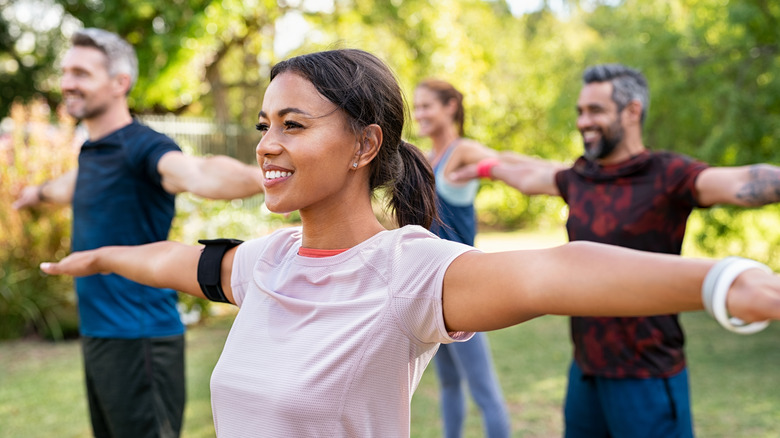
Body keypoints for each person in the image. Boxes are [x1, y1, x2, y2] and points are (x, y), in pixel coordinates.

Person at [38, 50, 780, 438]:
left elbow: (559, 270)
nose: (267, 143)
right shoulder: (267, 262)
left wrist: (723, 282)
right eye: (265, 124)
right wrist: (102, 258)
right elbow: (177, 260)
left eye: (293, 125)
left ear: (364, 144)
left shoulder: (408, 271)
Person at [450, 63, 780, 438]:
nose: (582, 121)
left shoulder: (667, 174)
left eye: (595, 111)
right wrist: (483, 168)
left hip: (647, 375)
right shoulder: (579, 176)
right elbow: (528, 175)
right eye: (580, 111)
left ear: (632, 111)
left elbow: (740, 181)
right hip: (586, 372)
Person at [13, 28, 263, 438]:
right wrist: (33, 194)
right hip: (100, 337)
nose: (67, 83)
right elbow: (67, 186)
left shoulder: (144, 148)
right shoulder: (95, 152)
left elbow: (197, 173)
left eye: (81, 72)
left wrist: (269, 177)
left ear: (119, 83)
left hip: (140, 339)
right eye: (65, 71)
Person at [413, 79, 510, 438]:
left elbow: (505, 163)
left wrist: (483, 170)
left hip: (463, 287)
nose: (419, 113)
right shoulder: (424, 160)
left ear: (450, 106)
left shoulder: (463, 151)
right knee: (450, 384)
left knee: (483, 389)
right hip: (429, 288)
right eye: (417, 106)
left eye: (427, 106)